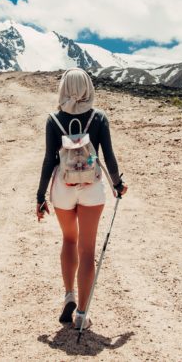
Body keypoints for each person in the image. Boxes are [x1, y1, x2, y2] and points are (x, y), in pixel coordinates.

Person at [36, 68, 126, 331]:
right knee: (87, 250)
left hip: (63, 188)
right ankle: (82, 315)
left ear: (63, 88)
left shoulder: (53, 120)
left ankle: (69, 295)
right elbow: (108, 157)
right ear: (88, 88)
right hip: (92, 188)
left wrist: (40, 196)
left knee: (69, 239)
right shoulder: (99, 118)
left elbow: (48, 160)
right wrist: (118, 185)